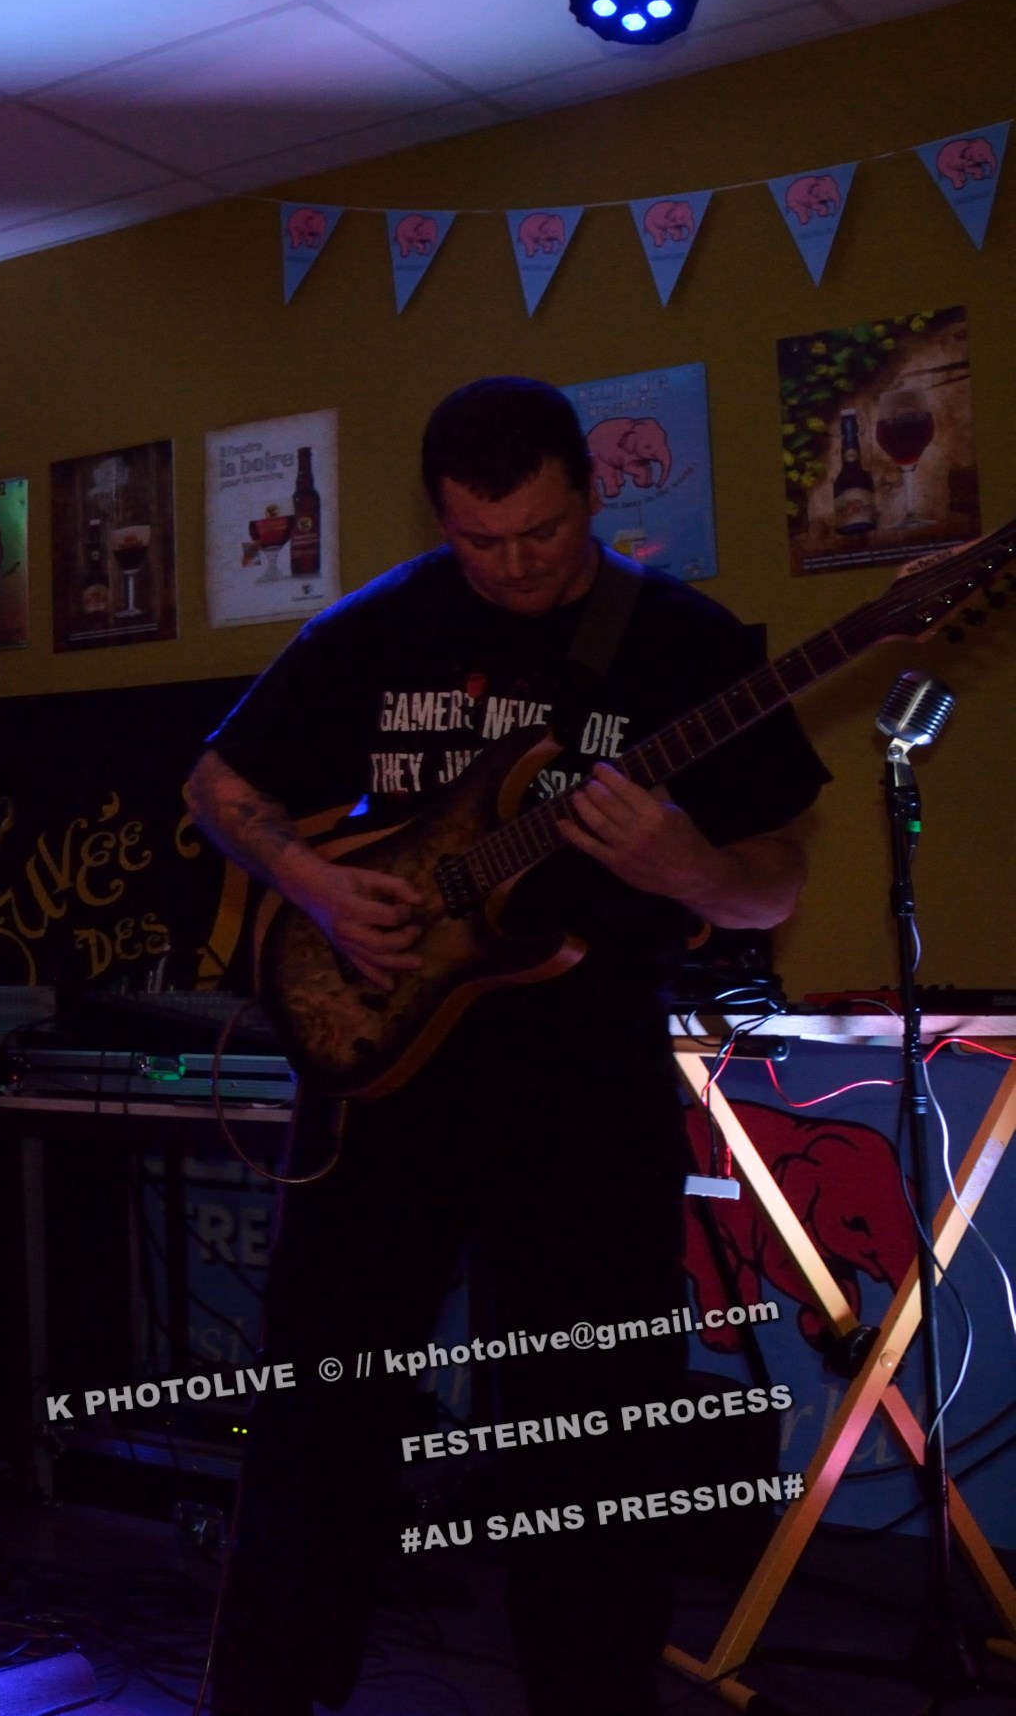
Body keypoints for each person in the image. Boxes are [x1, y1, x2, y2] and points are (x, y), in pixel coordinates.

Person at [188, 377, 828, 1716]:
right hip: (381, 1084)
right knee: (320, 1410)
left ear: (591, 493)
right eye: (481, 541)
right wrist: (314, 884)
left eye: (541, 531)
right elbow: (220, 785)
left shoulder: (686, 645)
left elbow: (772, 883)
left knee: (588, 1428)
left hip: (583, 1086)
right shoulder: (375, 626)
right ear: (441, 517)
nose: (517, 565)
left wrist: (690, 866)